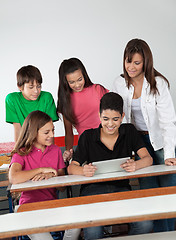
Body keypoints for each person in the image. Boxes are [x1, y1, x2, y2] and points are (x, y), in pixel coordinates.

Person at [68, 92, 153, 240]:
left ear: (122, 116)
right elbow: (71, 168)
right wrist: (83, 170)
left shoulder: (129, 131)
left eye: (115, 119)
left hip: (122, 191)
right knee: (93, 233)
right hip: (92, 194)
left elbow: (148, 159)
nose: (110, 124)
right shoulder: (87, 137)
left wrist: (136, 165)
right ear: (99, 116)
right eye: (105, 119)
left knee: (145, 225)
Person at [112, 38, 176, 231]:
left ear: (145, 62)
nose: (131, 67)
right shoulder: (119, 83)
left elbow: (168, 121)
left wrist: (170, 154)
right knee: (150, 193)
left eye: (136, 63)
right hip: (138, 142)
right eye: (128, 61)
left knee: (167, 192)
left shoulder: (159, 83)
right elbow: (118, 118)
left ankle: (167, 234)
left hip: (161, 141)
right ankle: (156, 235)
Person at [9, 110, 65, 240]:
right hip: (28, 207)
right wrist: (41, 170)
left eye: (53, 130)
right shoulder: (21, 153)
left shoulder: (55, 150)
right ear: (34, 133)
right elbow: (14, 177)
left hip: (52, 205)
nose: (51, 135)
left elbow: (62, 187)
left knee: (76, 228)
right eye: (46, 132)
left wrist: (52, 175)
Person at [57, 57, 108, 161]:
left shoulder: (97, 90)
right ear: (65, 82)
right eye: (72, 82)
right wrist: (68, 151)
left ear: (84, 75)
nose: (77, 85)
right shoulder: (65, 101)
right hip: (86, 145)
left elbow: (112, 115)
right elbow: (69, 132)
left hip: (107, 140)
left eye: (80, 79)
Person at [6, 65, 59, 142]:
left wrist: (51, 152)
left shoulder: (47, 97)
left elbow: (49, 130)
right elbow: (18, 129)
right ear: (20, 87)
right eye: (31, 87)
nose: (36, 91)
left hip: (43, 142)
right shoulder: (12, 99)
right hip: (25, 142)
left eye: (38, 86)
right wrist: (18, 151)